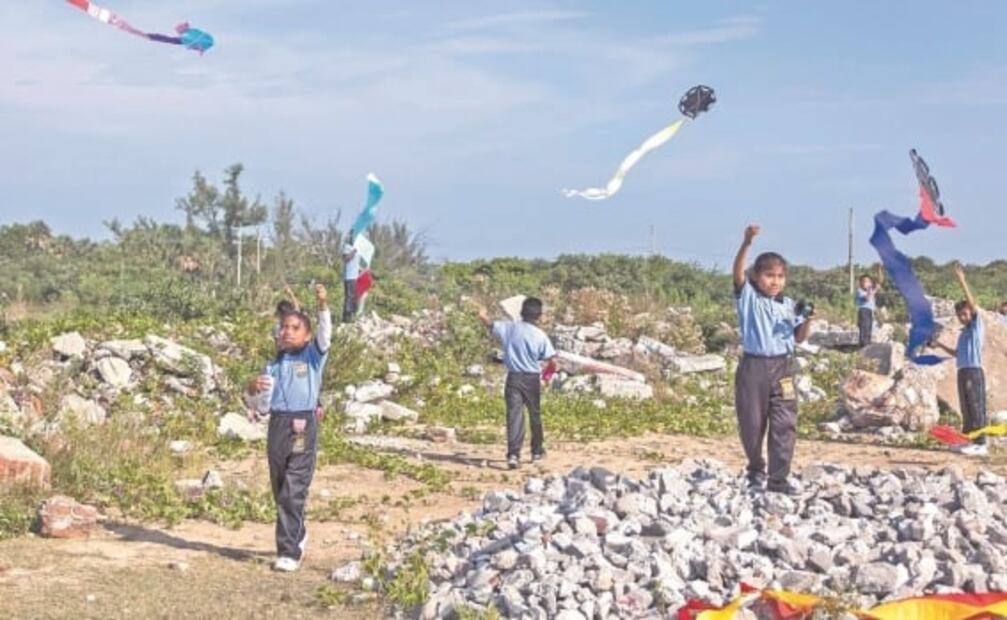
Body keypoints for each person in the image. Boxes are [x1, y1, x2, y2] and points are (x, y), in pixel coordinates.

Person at [247, 283, 331, 571]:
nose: (288, 331)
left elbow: (325, 334)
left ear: (307, 335)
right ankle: (299, 531)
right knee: (280, 485)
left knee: (294, 487)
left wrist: (323, 306)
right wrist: (252, 389)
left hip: (301, 428)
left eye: (295, 328)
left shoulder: (313, 357)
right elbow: (260, 407)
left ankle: (289, 551)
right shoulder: (272, 367)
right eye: (284, 327)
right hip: (278, 427)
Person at [732, 224, 813, 494]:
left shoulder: (788, 305)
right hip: (754, 367)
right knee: (752, 424)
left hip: (783, 368)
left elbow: (799, 337)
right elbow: (737, 273)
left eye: (780, 276)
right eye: (769, 276)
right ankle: (756, 468)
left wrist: (808, 318)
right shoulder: (749, 299)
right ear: (756, 276)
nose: (775, 281)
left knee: (784, 422)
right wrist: (746, 242)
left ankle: (778, 479)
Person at [478, 298, 557, 470]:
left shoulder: (509, 328)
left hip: (513, 378)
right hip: (532, 378)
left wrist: (482, 313)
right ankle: (536, 451)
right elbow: (553, 361)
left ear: (522, 312)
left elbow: (489, 324)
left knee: (514, 416)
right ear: (539, 316)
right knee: (534, 414)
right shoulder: (540, 335)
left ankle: (513, 455)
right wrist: (547, 376)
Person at [930, 265, 987, 457]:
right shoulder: (963, 334)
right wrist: (939, 345)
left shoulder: (976, 327)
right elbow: (956, 353)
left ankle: (981, 443)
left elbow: (972, 304)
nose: (963, 317)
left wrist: (962, 281)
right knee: (966, 407)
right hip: (962, 369)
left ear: (970, 314)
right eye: (960, 315)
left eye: (965, 314)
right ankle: (967, 439)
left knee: (976, 405)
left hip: (974, 370)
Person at [855, 266, 884, 347]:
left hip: (870, 312)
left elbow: (880, 281)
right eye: (864, 281)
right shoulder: (859, 291)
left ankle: (867, 347)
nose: (866, 283)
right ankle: (863, 347)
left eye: (868, 281)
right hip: (863, 311)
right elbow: (868, 298)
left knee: (869, 330)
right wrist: (875, 290)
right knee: (864, 330)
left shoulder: (870, 290)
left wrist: (879, 270)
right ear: (860, 283)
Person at [342, 236, 361, 323]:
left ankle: (352, 315)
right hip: (349, 277)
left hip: (355, 277)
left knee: (355, 298)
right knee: (349, 297)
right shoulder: (347, 247)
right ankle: (346, 318)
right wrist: (354, 251)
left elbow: (355, 263)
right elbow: (346, 259)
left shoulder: (358, 248)